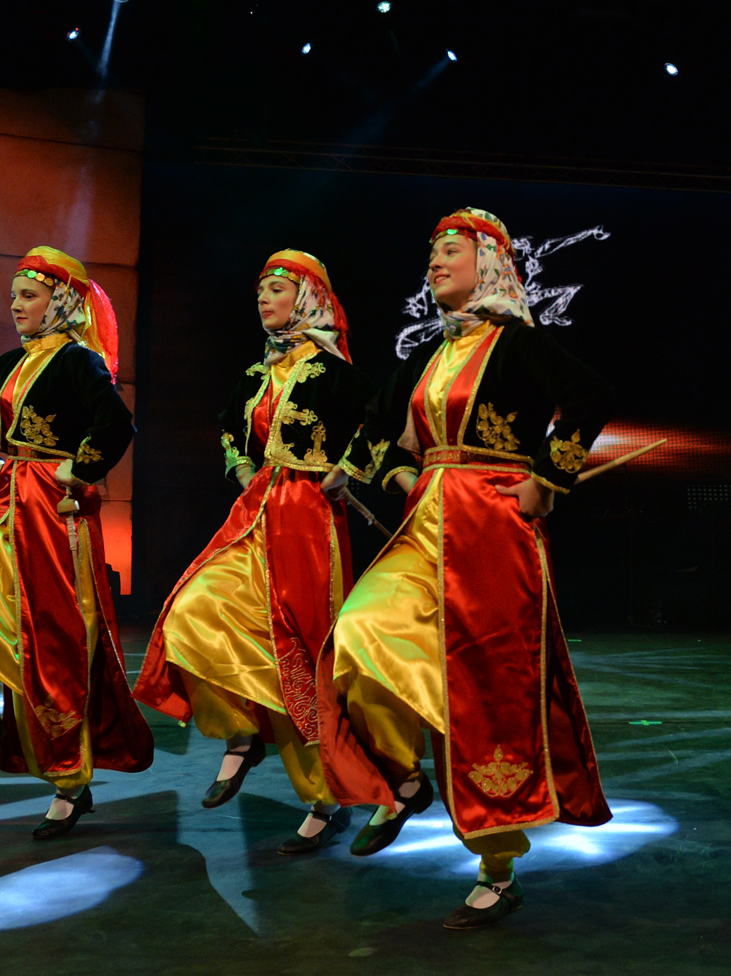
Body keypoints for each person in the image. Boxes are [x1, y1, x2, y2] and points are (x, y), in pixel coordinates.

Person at [318, 208, 613, 929]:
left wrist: (547, 479)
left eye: (450, 250)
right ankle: (406, 782)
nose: (434, 262)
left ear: (490, 263)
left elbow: (591, 398)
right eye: (431, 253)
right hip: (426, 526)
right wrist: (386, 475)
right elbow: (381, 429)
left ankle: (496, 868)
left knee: (486, 692)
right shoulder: (429, 352)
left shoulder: (518, 344)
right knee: (357, 633)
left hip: (492, 532)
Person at [0, 246, 154, 838]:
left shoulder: (78, 362)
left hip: (55, 513)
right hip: (8, 503)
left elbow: (116, 424)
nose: (16, 306)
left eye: (29, 296)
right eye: (14, 296)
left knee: (54, 640)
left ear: (59, 302)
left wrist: (79, 469)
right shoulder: (7, 365)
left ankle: (69, 782)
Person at [135, 249, 374, 854]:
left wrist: (347, 469)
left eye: (276, 289)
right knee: (192, 609)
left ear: (307, 298)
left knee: (299, 648)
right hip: (257, 513)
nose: (264, 299)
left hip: (309, 521)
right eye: (260, 291)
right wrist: (240, 466)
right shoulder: (257, 372)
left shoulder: (335, 371)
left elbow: (376, 424)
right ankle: (240, 735)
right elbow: (228, 426)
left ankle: (325, 796)